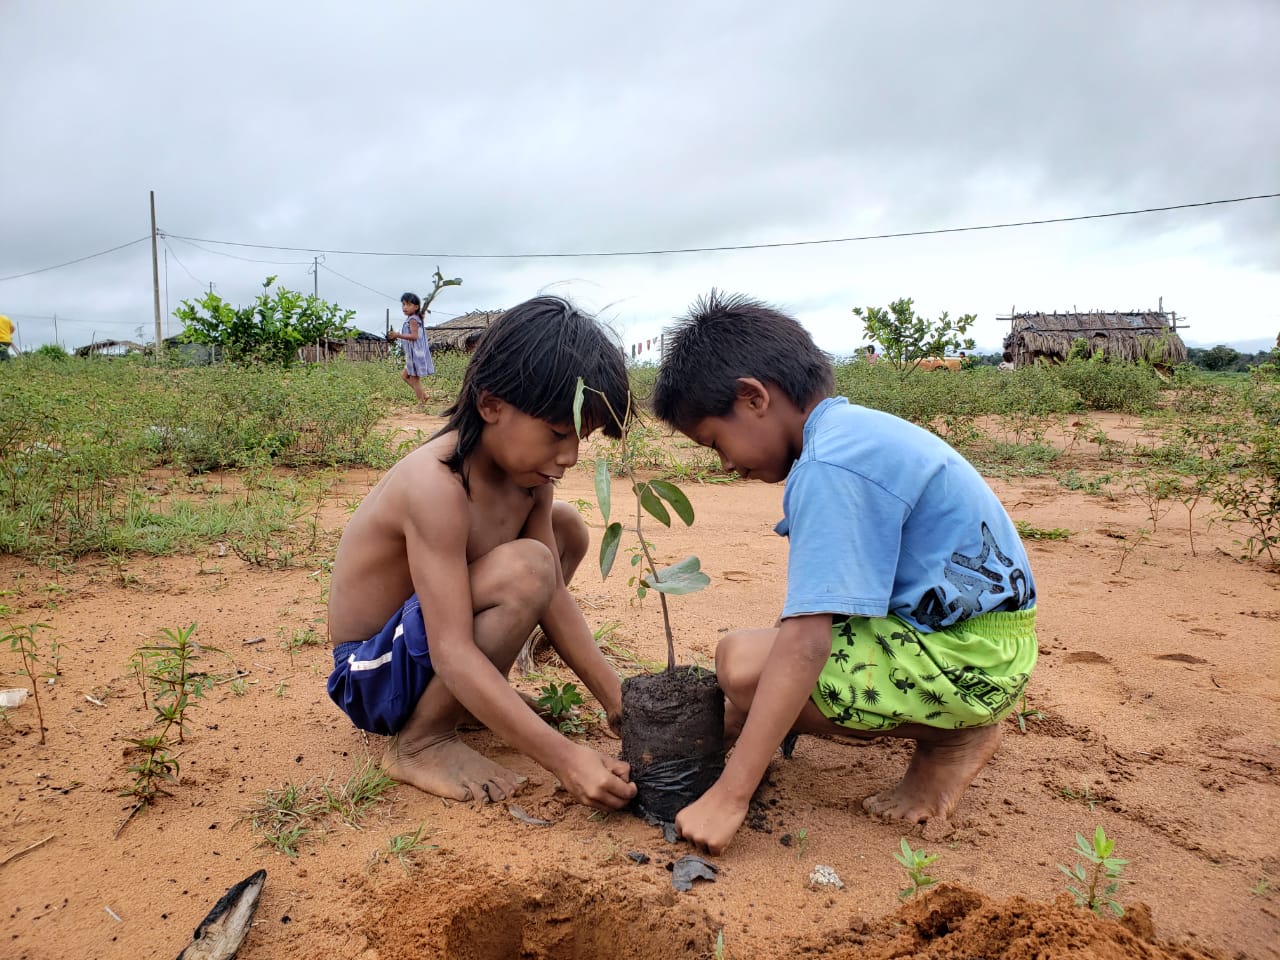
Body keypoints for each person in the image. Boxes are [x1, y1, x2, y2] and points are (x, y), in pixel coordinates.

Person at [651, 291, 1037, 854]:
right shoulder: (848, 434)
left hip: (970, 661)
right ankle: (946, 720)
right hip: (980, 640)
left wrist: (731, 795)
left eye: (716, 443)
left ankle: (953, 736)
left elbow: (808, 640)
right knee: (748, 661)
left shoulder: (830, 465)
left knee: (745, 668)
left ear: (754, 398)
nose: (726, 464)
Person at [327, 296, 638, 811]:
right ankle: (422, 741)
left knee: (565, 531)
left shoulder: (529, 478)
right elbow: (451, 645)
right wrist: (564, 758)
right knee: (529, 567)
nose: (569, 457)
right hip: (372, 672)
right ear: (491, 406)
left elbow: (553, 595)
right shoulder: (436, 485)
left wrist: (617, 699)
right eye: (558, 434)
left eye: (580, 439)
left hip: (422, 645)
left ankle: (472, 700)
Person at [387, 292, 434, 402]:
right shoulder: (413, 318)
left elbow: (414, 336)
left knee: (414, 379)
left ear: (416, 307)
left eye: (408, 305)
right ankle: (423, 395)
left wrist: (398, 335)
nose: (405, 307)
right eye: (403, 304)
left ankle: (421, 403)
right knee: (404, 376)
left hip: (415, 354)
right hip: (412, 354)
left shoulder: (413, 320)